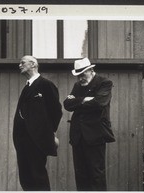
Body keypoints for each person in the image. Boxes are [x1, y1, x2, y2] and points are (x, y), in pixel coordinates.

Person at [63, 57, 115, 191]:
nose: (80, 78)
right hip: (78, 137)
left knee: (96, 175)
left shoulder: (105, 83)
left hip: (95, 135)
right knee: (81, 176)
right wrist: (84, 99)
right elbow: (67, 105)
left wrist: (77, 102)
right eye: (78, 75)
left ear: (91, 70)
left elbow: (99, 103)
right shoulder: (78, 85)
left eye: (83, 74)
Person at [13, 55, 62, 191]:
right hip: (22, 141)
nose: (19, 65)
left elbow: (56, 111)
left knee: (37, 177)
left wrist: (48, 133)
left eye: (22, 63)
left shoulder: (46, 85)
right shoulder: (26, 87)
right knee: (26, 177)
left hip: (37, 141)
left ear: (33, 65)